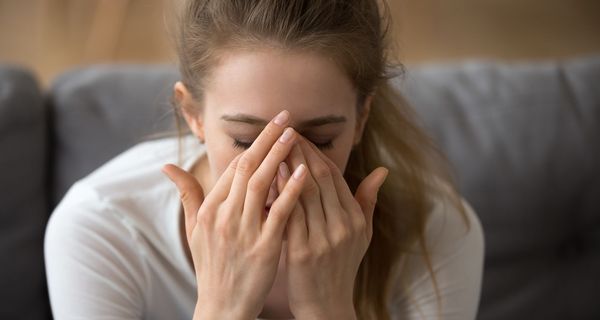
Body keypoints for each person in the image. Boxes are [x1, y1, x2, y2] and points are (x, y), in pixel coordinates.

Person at [44, 0, 484, 319]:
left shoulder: (435, 229)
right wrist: (223, 308)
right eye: (246, 140)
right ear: (192, 115)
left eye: (321, 138)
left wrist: (326, 309)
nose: (286, 174)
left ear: (362, 117)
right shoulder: (101, 229)